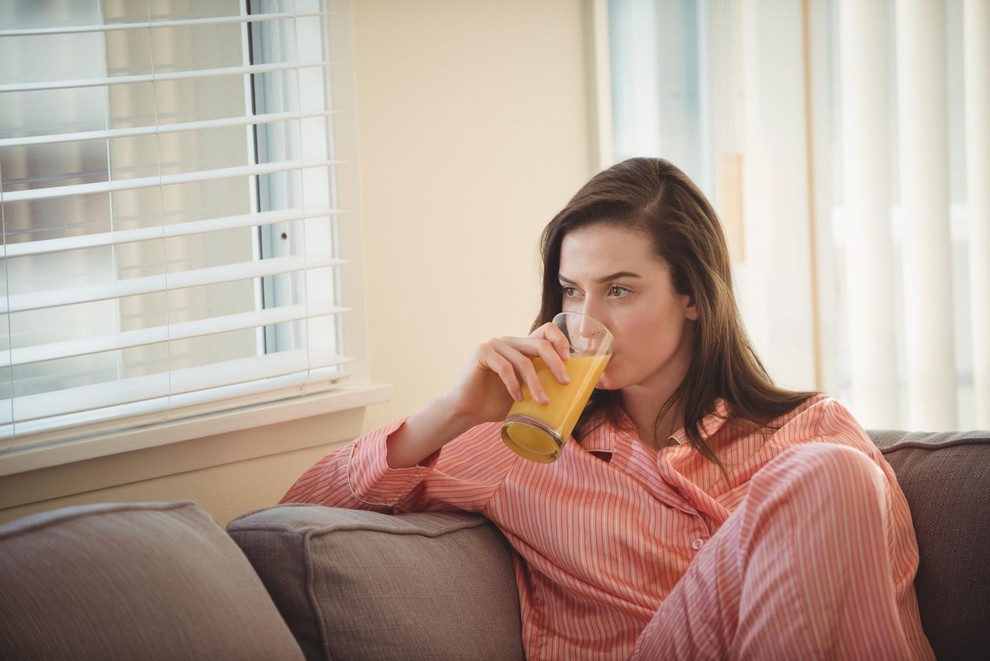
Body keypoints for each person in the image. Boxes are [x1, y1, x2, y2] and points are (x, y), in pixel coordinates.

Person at [282, 157, 934, 660]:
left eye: (619, 289)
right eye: (572, 290)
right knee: (830, 473)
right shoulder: (520, 445)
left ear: (694, 296)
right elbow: (291, 517)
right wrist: (452, 411)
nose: (586, 320)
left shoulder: (811, 431)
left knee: (827, 471)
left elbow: (879, 609)